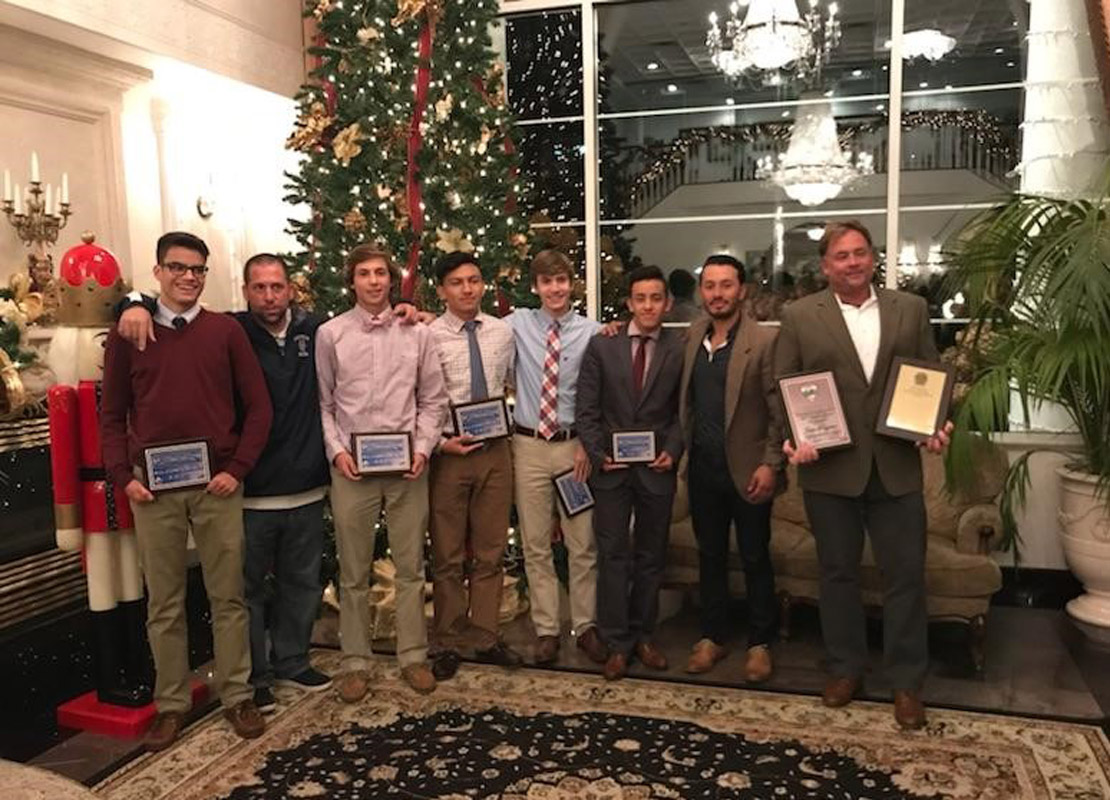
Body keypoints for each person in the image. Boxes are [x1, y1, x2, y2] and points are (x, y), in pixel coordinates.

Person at [115, 253, 335, 714]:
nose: (270, 295)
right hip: (239, 489)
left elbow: (261, 407)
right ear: (245, 290)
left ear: (291, 288)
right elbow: (113, 414)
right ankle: (193, 698)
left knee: (281, 585)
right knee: (189, 598)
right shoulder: (233, 328)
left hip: (275, 480)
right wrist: (129, 302)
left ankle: (270, 674)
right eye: (259, 287)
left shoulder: (315, 330)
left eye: (278, 286)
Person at [775, 220, 951, 730]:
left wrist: (936, 425)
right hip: (829, 469)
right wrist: (793, 437)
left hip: (896, 467)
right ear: (825, 265)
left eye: (860, 253)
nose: (852, 262)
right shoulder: (799, 315)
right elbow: (785, 383)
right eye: (841, 256)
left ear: (872, 257)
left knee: (905, 579)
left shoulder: (910, 309)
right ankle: (845, 668)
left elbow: (928, 375)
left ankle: (905, 683)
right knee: (837, 576)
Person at [101, 231, 273, 751]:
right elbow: (110, 417)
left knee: (229, 597)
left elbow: (259, 408)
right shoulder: (128, 334)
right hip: (153, 491)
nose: (189, 277)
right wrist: (123, 478)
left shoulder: (225, 332)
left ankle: (237, 695)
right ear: (157, 273)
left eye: (198, 269)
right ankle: (172, 704)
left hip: (217, 487)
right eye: (178, 268)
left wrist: (238, 468)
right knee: (165, 604)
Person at [316, 244, 448, 700]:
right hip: (352, 469)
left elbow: (433, 401)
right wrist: (336, 452)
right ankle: (355, 661)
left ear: (392, 280)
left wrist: (425, 450)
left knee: (411, 569)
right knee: (353, 571)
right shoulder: (331, 334)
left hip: (407, 468)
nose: (373, 281)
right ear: (351, 281)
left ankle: (413, 655)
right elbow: (325, 403)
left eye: (380, 273)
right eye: (364, 274)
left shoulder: (418, 334)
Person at [678, 254, 784, 682]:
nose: (717, 294)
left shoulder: (763, 342)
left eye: (726, 285)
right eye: (710, 286)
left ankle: (760, 644)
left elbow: (780, 411)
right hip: (703, 469)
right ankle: (712, 636)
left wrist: (771, 464)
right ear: (702, 292)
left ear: (742, 290)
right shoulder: (692, 336)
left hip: (750, 472)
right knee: (711, 556)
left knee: (756, 557)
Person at [576, 265, 685, 681]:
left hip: (657, 470)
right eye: (640, 298)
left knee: (651, 558)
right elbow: (586, 409)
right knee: (613, 555)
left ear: (667, 303)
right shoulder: (603, 346)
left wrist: (673, 451)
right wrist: (599, 453)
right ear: (629, 303)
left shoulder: (680, 348)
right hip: (611, 471)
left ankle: (644, 636)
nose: (648, 306)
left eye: (656, 298)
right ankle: (617, 642)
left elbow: (683, 411)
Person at [425, 252, 523, 679]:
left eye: (474, 280)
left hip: (495, 452)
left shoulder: (503, 332)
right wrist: (441, 444)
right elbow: (420, 398)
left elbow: (519, 381)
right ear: (442, 290)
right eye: (457, 282)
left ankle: (484, 636)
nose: (467, 289)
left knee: (490, 552)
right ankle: (447, 639)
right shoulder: (427, 336)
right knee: (446, 554)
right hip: (450, 453)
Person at [508, 249, 607, 665]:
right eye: (547, 282)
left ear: (573, 284)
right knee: (534, 545)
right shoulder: (517, 324)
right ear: (536, 287)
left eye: (562, 280)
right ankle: (547, 628)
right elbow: (467, 328)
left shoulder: (594, 333)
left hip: (573, 449)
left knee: (582, 543)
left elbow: (601, 394)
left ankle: (585, 626)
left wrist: (588, 442)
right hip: (528, 446)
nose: (555, 289)